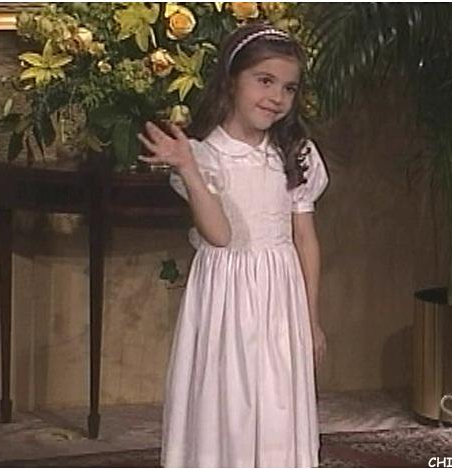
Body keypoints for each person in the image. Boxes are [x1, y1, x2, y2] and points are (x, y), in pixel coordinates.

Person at [137, 22, 329, 468]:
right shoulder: (203, 157)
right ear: (231, 81)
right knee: (228, 400)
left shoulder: (295, 155)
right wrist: (188, 169)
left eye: (288, 88)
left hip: (280, 301)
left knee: (278, 400)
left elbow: (305, 239)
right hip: (226, 302)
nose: (276, 97)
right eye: (265, 81)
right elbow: (219, 235)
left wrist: (311, 320)